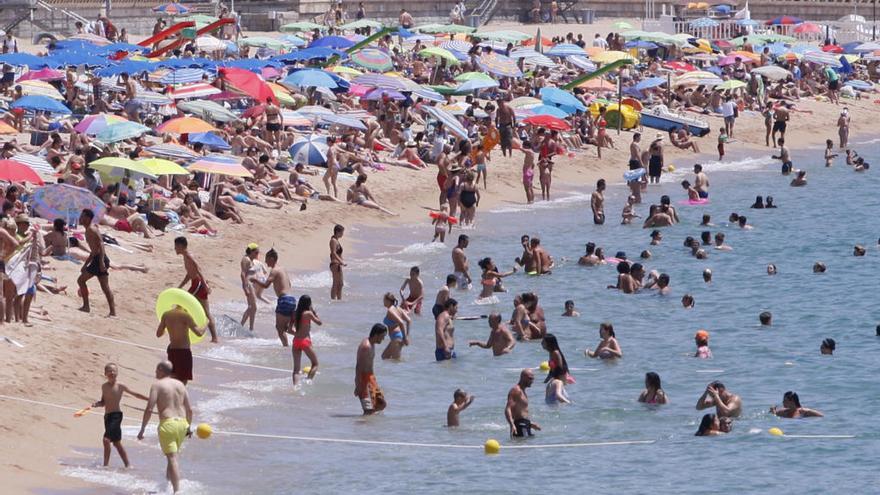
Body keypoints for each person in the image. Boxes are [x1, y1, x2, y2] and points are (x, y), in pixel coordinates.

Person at [137, 361, 193, 494]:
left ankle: (176, 491)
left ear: (161, 370)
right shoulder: (180, 384)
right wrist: (189, 427)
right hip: (182, 423)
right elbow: (190, 410)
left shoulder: (157, 385)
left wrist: (142, 429)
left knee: (172, 458)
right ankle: (166, 487)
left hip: (168, 424)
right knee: (172, 456)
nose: (155, 372)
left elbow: (149, 409)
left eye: (156, 370)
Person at [91, 363, 148, 467]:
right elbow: (103, 402)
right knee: (117, 443)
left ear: (117, 373)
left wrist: (149, 399)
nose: (112, 372)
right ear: (105, 373)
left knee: (106, 440)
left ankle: (105, 465)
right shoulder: (104, 386)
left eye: (114, 371)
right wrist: (97, 404)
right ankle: (128, 465)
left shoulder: (121, 386)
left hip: (116, 416)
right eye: (109, 371)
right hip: (107, 417)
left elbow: (135, 394)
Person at [250, 248, 296, 346]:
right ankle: (302, 338)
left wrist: (255, 280)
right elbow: (289, 284)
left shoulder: (274, 271)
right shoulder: (282, 268)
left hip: (284, 300)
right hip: (292, 299)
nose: (265, 262)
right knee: (287, 328)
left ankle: (286, 349)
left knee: (280, 329)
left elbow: (266, 285)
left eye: (266, 259)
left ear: (271, 258)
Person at [174, 237, 217, 343]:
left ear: (180, 246)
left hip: (198, 284)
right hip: (197, 284)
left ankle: (179, 329)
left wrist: (205, 285)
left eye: (176, 247)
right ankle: (214, 338)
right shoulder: (185, 257)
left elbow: (198, 270)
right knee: (206, 312)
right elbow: (189, 274)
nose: (174, 249)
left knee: (182, 304)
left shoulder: (189, 256)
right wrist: (181, 285)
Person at [76, 209, 116, 316]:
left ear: (88, 218)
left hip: (100, 260)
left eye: (82, 216)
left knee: (81, 280)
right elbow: (94, 251)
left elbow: (101, 244)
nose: (80, 218)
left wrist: (102, 261)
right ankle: (112, 312)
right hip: (98, 259)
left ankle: (86, 306)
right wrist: (85, 264)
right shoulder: (89, 229)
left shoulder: (91, 229)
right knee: (105, 287)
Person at [156, 307, 206, 385]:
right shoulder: (186, 316)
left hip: (172, 350)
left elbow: (158, 334)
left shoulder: (166, 314)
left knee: (172, 377)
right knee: (183, 380)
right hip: (184, 351)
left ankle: (170, 395)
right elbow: (199, 333)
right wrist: (206, 323)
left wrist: (168, 329)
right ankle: (177, 396)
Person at [355, 323, 388, 415]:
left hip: (371, 378)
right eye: (382, 336)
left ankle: (370, 423)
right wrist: (358, 385)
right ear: (376, 335)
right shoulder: (366, 346)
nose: (383, 339)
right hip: (363, 380)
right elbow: (358, 367)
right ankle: (364, 425)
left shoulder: (372, 344)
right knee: (368, 409)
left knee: (381, 404)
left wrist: (374, 381)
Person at [291, 295, 321, 385]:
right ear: (309, 304)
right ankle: (308, 381)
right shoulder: (308, 313)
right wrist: (313, 312)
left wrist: (297, 334)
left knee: (296, 369)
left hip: (296, 341)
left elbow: (289, 329)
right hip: (305, 341)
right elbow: (319, 323)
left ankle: (295, 386)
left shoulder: (295, 313)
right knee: (315, 364)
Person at [505, 369, 541, 438]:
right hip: (520, 425)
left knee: (529, 445)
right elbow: (508, 408)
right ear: (523, 377)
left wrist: (530, 424)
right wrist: (512, 424)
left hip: (525, 424)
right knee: (523, 447)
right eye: (530, 378)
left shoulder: (522, 391)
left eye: (533, 379)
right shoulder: (516, 390)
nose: (532, 381)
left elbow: (520, 412)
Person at [380, 293, 411, 360]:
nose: (383, 301)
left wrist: (405, 338)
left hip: (396, 338)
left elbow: (401, 323)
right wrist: (406, 335)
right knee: (384, 357)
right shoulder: (398, 309)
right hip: (397, 337)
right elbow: (408, 320)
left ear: (388, 301)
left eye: (384, 300)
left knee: (396, 361)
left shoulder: (390, 310)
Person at [240, 243, 260, 332]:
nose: (257, 254)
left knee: (251, 307)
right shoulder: (246, 260)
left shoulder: (251, 259)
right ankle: (247, 327)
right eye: (256, 253)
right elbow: (243, 274)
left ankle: (248, 327)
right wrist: (245, 287)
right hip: (248, 284)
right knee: (253, 307)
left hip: (252, 285)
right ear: (251, 252)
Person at [329, 224, 345, 300]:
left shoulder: (336, 240)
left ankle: (339, 300)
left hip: (338, 264)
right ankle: (333, 300)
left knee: (340, 284)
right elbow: (333, 253)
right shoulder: (333, 241)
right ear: (337, 232)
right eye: (342, 232)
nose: (342, 234)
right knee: (336, 283)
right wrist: (341, 261)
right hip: (335, 264)